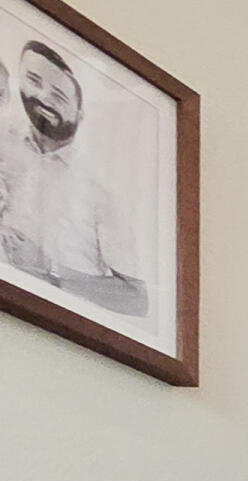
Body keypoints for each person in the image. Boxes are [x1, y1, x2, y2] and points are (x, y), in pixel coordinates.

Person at [0, 39, 149, 318]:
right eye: (33, 80)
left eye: (58, 96)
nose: (42, 98)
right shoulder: (4, 139)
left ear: (81, 115)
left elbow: (136, 299)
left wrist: (48, 272)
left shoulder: (101, 189)